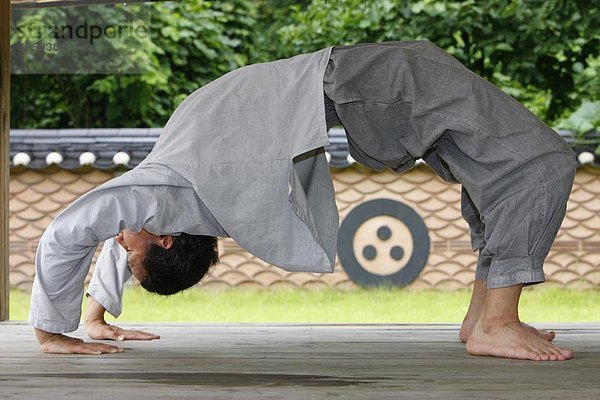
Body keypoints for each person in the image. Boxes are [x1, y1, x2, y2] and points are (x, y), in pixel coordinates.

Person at [30, 40, 577, 361]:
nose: (118, 247)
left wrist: (91, 315)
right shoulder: (163, 193)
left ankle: (485, 317)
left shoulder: (183, 201)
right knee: (538, 161)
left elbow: (103, 232)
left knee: (490, 170)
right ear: (165, 235)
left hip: (354, 84)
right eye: (128, 253)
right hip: (371, 79)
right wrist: (50, 330)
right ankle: (494, 321)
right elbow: (73, 231)